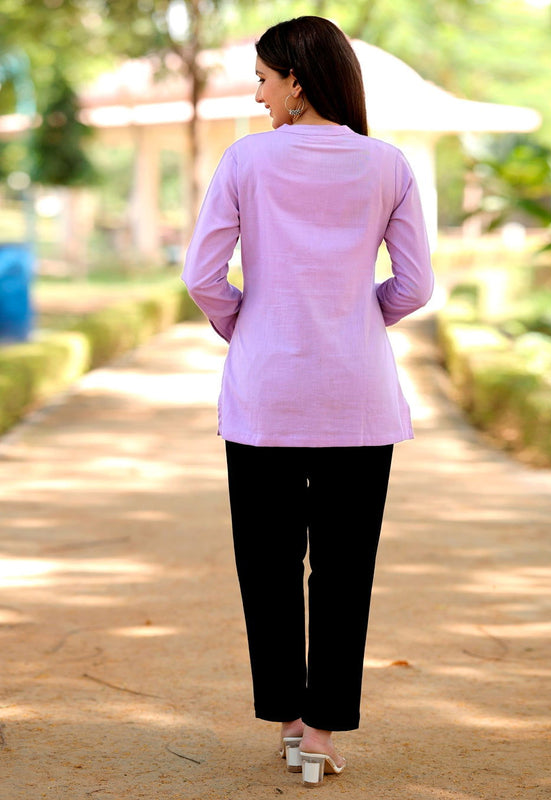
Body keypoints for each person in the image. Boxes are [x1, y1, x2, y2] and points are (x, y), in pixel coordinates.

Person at [182, 16, 434, 788]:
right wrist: (359, 319)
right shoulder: (387, 164)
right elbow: (416, 286)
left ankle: (288, 718)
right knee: (345, 569)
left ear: (295, 79)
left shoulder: (246, 162)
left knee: (267, 564)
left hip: (265, 399)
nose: (257, 95)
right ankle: (320, 732)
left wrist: (248, 326)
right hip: (358, 400)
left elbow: (202, 277)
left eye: (262, 79)